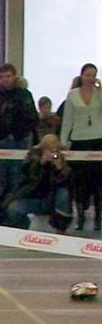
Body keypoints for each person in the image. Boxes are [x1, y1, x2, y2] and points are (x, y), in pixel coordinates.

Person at [0, 63, 38, 224]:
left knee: (16, 181)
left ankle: (14, 216)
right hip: (2, 142)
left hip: (18, 143)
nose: (6, 79)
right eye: (2, 77)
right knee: (4, 181)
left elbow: (32, 118)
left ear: (14, 76)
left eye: (8, 76)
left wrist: (17, 133)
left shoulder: (24, 94)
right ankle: (1, 213)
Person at [59, 63, 102, 231]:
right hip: (79, 140)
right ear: (82, 76)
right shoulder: (72, 95)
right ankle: (81, 218)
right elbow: (67, 119)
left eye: (93, 75)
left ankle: (98, 218)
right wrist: (64, 141)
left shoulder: (99, 94)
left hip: (97, 139)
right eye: (88, 75)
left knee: (98, 182)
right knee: (79, 181)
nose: (91, 78)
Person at [2, 134, 72, 233]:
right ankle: (22, 228)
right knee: (13, 207)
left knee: (64, 193)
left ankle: (61, 228)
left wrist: (59, 168)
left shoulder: (59, 157)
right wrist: (40, 163)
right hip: (32, 198)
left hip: (50, 199)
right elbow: (28, 174)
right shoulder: (33, 156)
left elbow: (67, 182)